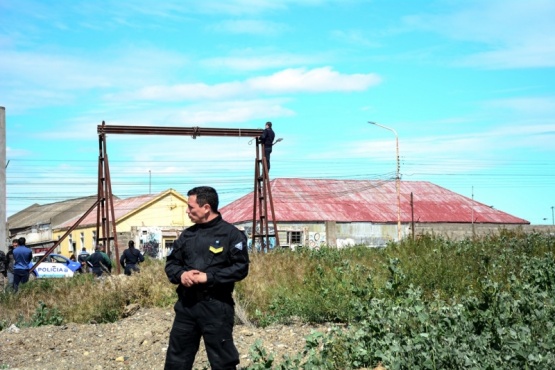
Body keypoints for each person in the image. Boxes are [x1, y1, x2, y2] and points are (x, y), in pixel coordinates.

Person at [164, 186, 249, 370]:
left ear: (206, 208)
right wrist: (182, 275)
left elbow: (240, 268)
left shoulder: (231, 235)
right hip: (187, 307)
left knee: (223, 363)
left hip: (217, 308)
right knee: (176, 362)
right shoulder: (187, 235)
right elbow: (171, 264)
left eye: (191, 207)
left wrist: (208, 277)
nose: (187, 211)